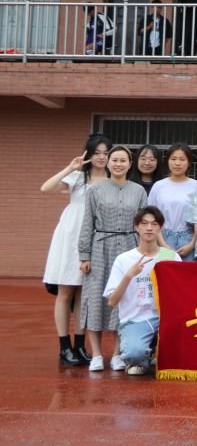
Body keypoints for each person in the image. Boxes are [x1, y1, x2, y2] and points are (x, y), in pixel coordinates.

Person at [41, 133, 111, 366]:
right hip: (71, 236)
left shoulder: (111, 180)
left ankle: (80, 345)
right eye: (97, 153)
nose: (101, 157)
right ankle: (64, 347)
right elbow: (46, 188)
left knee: (84, 293)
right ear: (89, 154)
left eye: (106, 153)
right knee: (66, 291)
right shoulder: (78, 177)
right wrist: (70, 168)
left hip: (95, 238)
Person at [78, 146, 149, 372]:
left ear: (130, 164)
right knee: (95, 299)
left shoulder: (138, 191)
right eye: (115, 160)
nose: (119, 164)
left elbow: (144, 223)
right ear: (108, 163)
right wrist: (84, 255)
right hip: (100, 248)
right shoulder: (95, 191)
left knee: (124, 299)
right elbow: (87, 222)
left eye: (123, 160)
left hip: (128, 247)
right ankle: (97, 355)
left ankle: (118, 353)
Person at [103, 206, 180, 375]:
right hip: (135, 320)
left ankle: (157, 352)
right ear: (137, 227)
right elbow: (112, 302)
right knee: (134, 354)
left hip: (165, 319)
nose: (149, 228)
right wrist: (128, 276)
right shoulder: (123, 260)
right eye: (144, 224)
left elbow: (181, 294)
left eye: (154, 224)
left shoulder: (171, 257)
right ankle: (143, 358)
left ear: (160, 228)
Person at [147, 144, 197, 261]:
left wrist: (191, 244)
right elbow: (152, 218)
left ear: (189, 162)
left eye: (182, 159)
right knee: (164, 272)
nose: (177, 163)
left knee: (187, 273)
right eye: (173, 159)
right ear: (167, 161)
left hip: (188, 239)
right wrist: (163, 244)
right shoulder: (158, 186)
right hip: (163, 239)